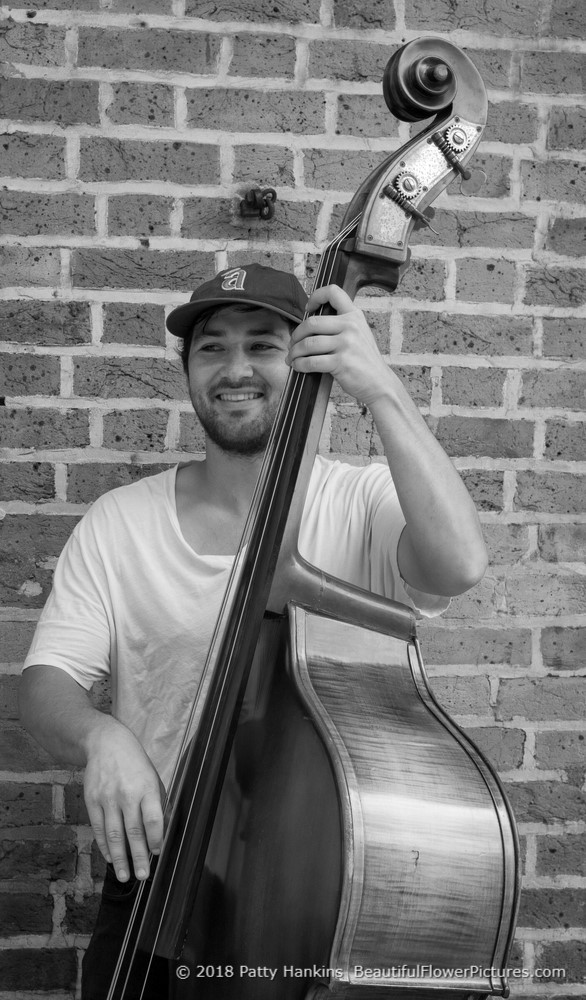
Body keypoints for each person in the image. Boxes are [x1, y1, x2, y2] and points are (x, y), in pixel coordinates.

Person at [19, 263, 488, 998]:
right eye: (212, 348)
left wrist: (382, 389)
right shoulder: (120, 520)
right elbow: (46, 684)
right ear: (188, 370)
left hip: (318, 891)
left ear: (305, 355)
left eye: (264, 345)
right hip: (156, 880)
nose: (236, 370)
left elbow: (458, 564)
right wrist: (100, 738)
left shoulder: (362, 501)